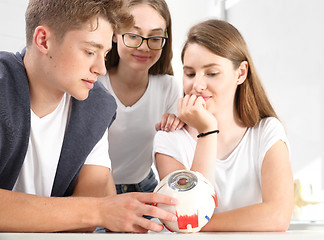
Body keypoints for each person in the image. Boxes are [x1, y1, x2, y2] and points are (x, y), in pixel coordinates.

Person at [0, 0, 177, 233]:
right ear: (43, 40)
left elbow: (81, 226)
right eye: (90, 51)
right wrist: (98, 210)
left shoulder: (99, 107)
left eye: (104, 54)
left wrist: (92, 211)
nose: (101, 69)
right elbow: (90, 212)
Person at [153, 19, 294, 232]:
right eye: (190, 74)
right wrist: (207, 132)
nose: (197, 85)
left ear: (241, 73)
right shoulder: (169, 138)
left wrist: (200, 224)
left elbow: (278, 216)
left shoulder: (267, 132)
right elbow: (187, 213)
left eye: (212, 73)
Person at [99, 0, 182, 196]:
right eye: (134, 35)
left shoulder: (168, 87)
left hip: (146, 188)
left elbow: (174, 155)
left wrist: (179, 124)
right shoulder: (94, 84)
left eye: (155, 37)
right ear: (115, 34)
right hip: (98, 191)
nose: (144, 47)